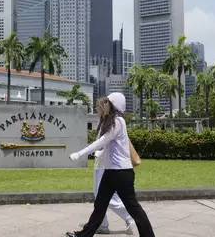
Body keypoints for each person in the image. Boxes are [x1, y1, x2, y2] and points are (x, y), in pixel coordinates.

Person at [66, 92, 155, 237]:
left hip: (121, 173)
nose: (104, 105)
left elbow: (101, 142)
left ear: (115, 105)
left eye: (107, 102)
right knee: (99, 206)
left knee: (133, 208)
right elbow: (106, 147)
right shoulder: (109, 121)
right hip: (110, 172)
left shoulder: (118, 121)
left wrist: (80, 154)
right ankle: (83, 235)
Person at [80, 96, 136, 235]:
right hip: (101, 163)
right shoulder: (104, 122)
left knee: (104, 196)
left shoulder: (113, 122)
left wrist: (87, 152)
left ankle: (128, 216)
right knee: (99, 196)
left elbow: (106, 143)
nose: (99, 108)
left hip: (108, 165)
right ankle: (103, 224)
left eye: (101, 106)